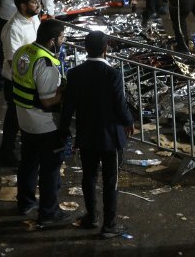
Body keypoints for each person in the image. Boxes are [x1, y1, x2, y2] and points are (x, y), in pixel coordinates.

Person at [59, 31, 134, 238]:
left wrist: (64, 131)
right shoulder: (113, 74)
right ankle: (109, 225)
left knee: (88, 177)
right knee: (111, 181)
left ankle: (91, 217)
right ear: (106, 49)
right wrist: (129, 122)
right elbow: (120, 105)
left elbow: (68, 107)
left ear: (85, 48)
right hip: (111, 137)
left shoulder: (74, 74)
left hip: (87, 135)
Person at [13, 20, 70, 225]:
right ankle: (48, 212)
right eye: (62, 38)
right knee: (50, 170)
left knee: (28, 163)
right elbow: (48, 101)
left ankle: (25, 202)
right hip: (45, 125)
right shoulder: (46, 63)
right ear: (52, 40)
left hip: (25, 120)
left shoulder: (23, 51)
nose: (63, 41)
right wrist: (64, 92)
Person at [0, 0, 42, 166]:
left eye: (38, 1)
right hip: (16, 81)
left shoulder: (33, 19)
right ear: (23, 6)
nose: (38, 4)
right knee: (14, 118)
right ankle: (6, 152)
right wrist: (28, 80)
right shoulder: (13, 29)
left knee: (24, 117)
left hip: (32, 78)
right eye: (34, 1)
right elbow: (12, 61)